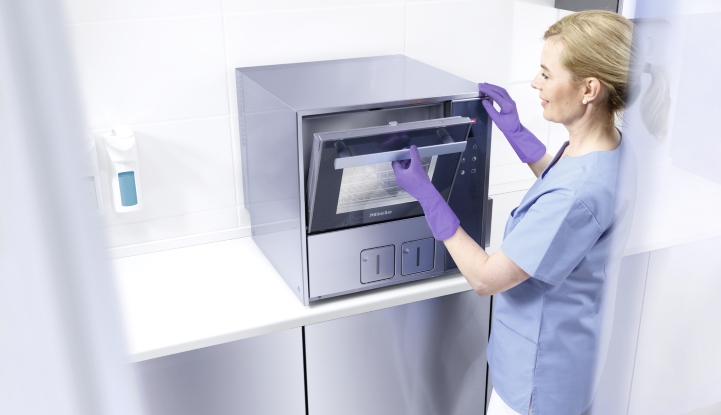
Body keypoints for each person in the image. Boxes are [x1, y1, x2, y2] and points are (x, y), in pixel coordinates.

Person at [392, 10, 638, 415]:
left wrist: (427, 194)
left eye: (546, 74)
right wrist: (516, 133)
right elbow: (565, 185)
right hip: (570, 357)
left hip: (538, 384)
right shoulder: (611, 148)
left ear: (589, 89)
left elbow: (485, 279)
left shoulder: (580, 191)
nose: (535, 83)